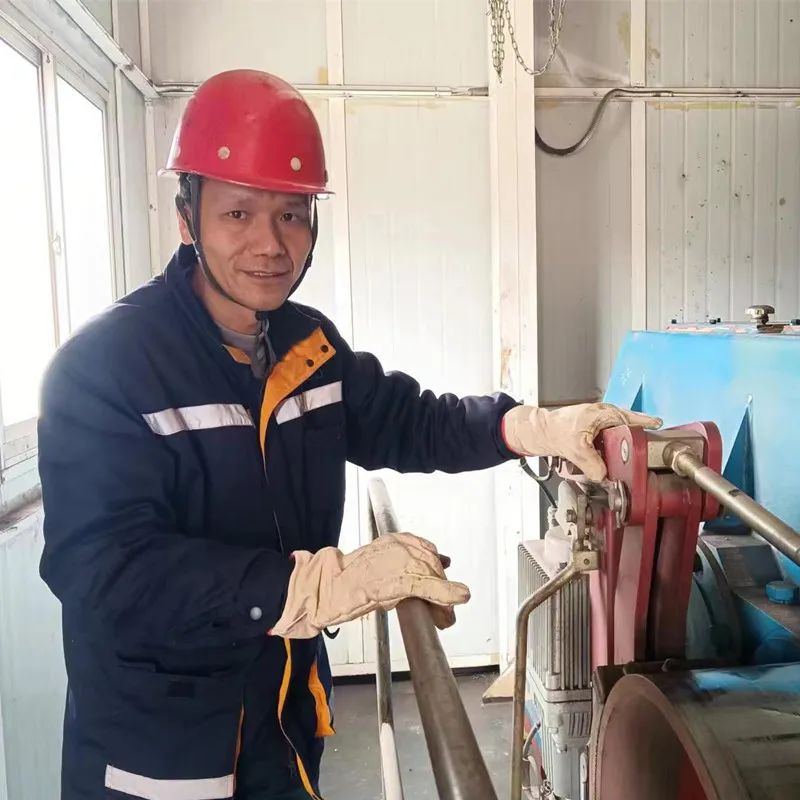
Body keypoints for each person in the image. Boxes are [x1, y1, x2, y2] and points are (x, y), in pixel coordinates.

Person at [37, 69, 660, 800]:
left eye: (291, 214)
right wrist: (311, 586)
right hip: (162, 756)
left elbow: (409, 420)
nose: (271, 244)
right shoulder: (106, 367)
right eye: (238, 213)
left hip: (283, 725)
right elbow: (102, 569)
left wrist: (528, 425)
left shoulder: (305, 345)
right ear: (186, 216)